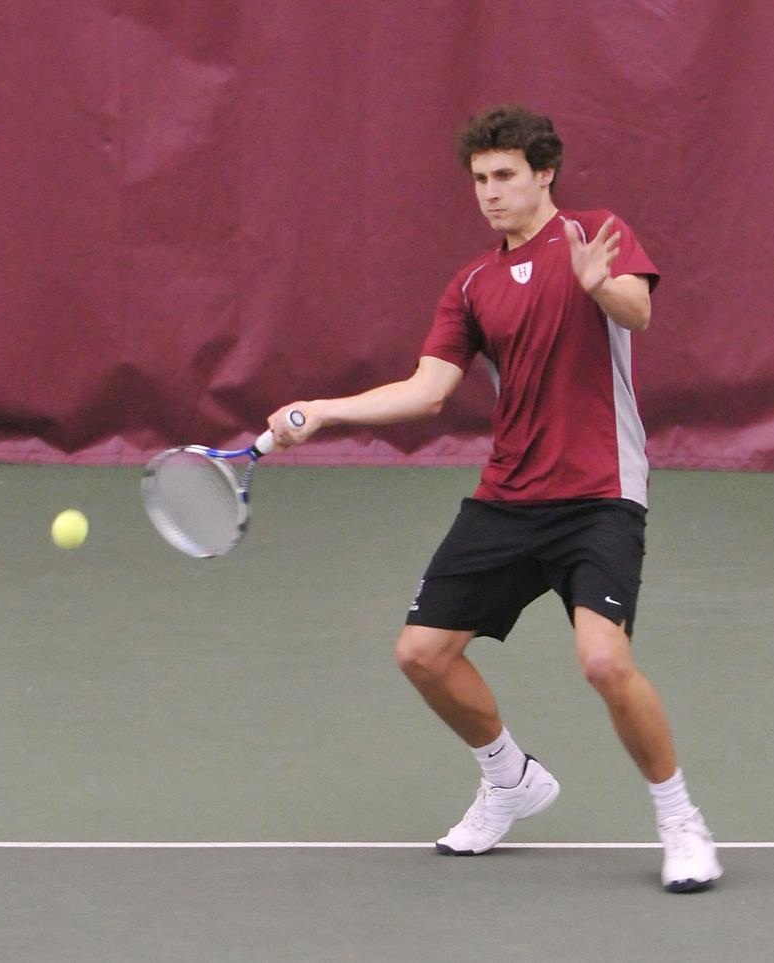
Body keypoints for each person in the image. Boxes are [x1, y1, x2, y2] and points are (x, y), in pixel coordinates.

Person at [268, 104, 722, 892]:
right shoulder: (472, 284)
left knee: (604, 661)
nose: (490, 192)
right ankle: (509, 778)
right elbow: (427, 389)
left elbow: (639, 311)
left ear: (544, 173)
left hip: (599, 494)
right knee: (421, 654)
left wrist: (599, 286)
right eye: (480, 179)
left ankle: (681, 819)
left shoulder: (595, 233)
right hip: (508, 497)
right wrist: (327, 409)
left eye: (505, 175)